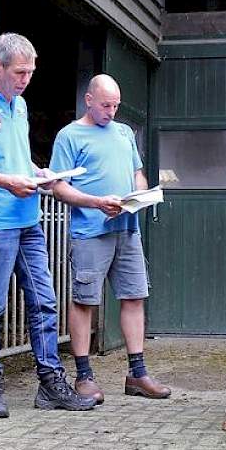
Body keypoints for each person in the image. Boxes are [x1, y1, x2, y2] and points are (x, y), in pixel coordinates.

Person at [0, 33, 96, 417]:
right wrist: (7, 182)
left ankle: (51, 383)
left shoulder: (19, 106)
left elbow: (12, 159)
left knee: (45, 302)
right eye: (19, 72)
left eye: (31, 72)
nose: (25, 80)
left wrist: (39, 173)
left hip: (29, 218)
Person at [50, 74, 171, 404]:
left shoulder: (123, 132)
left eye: (116, 105)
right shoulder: (69, 136)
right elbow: (58, 186)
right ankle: (84, 376)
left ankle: (137, 373)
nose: (112, 112)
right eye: (106, 105)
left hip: (128, 229)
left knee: (134, 296)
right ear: (89, 100)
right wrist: (96, 202)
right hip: (91, 231)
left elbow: (137, 172)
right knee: (85, 300)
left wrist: (140, 193)